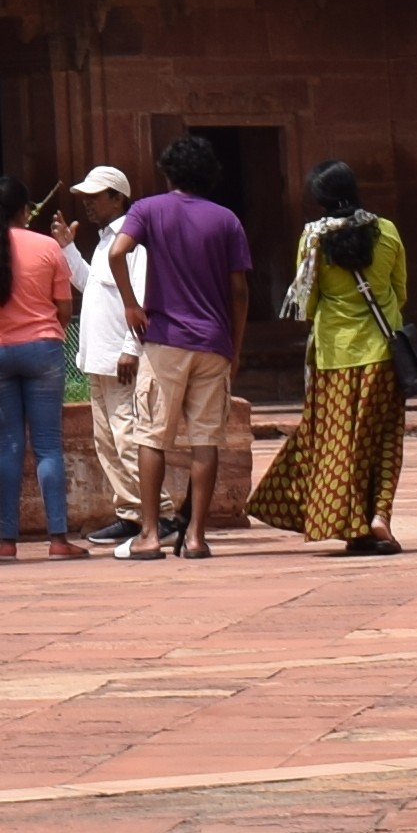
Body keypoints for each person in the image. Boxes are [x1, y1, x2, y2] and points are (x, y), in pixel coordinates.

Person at [246, 162, 412, 554]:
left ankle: (353, 524)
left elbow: (306, 303)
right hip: (383, 354)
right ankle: (379, 516)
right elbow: (400, 291)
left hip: (333, 358)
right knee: (383, 438)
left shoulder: (313, 239)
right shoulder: (386, 231)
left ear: (318, 199)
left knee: (340, 444)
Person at [110, 132, 255, 558]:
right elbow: (240, 291)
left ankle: (151, 534)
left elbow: (117, 253)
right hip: (213, 341)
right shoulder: (226, 220)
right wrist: (236, 345)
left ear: (169, 171)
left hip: (165, 340)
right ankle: (195, 536)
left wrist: (131, 306)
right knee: (205, 439)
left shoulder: (148, 209)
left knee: (152, 436)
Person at [0, 176, 77, 560]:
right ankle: (57, 539)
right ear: (26, 210)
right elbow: (64, 311)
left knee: (7, 446)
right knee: (47, 446)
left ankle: (7, 542)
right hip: (42, 349)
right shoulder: (46, 247)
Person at [56, 165, 148, 557]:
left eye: (96, 197)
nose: (89, 205)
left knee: (128, 437)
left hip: (120, 356)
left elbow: (141, 296)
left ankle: (153, 513)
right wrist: (67, 249)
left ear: (117, 198)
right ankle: (130, 511)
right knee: (107, 440)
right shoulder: (104, 241)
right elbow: (90, 283)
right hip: (99, 356)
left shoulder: (134, 241)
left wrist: (132, 346)